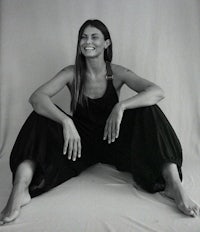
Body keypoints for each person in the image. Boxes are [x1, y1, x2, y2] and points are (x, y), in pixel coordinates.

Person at [0, 19, 199, 225]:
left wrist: (121, 106)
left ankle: (173, 185)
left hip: (114, 142)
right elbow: (37, 97)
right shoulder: (71, 73)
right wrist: (66, 123)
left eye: (95, 37)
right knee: (38, 117)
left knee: (149, 110)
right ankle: (20, 189)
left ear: (106, 43)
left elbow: (157, 92)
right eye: (83, 37)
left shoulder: (118, 72)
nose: (88, 41)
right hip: (79, 146)